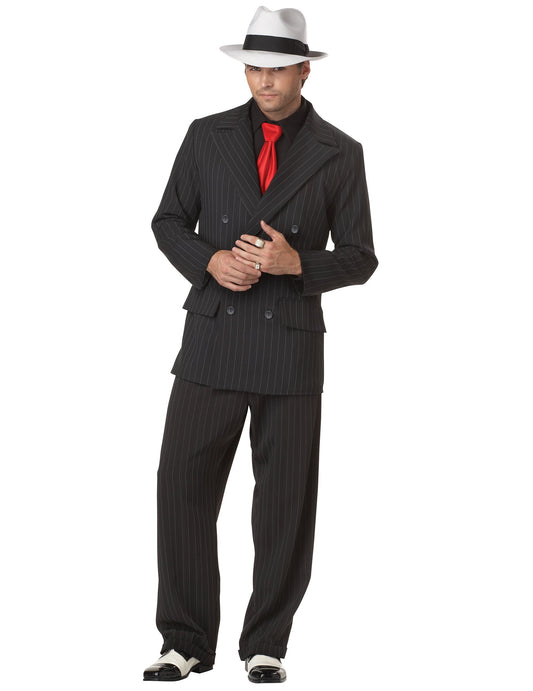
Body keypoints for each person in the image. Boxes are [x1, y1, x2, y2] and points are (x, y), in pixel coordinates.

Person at [143, 6, 378, 684]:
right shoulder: (206, 135)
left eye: (277, 69)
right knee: (181, 488)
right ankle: (184, 641)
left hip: (290, 347)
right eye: (253, 67)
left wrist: (297, 264)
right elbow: (167, 221)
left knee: (284, 503)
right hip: (212, 337)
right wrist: (210, 261)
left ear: (304, 70)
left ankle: (266, 643)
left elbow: (361, 257)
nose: (264, 81)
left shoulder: (339, 151)